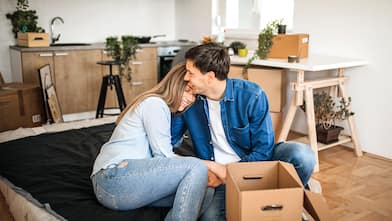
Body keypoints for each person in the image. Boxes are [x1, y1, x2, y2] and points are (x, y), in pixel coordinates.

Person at [171, 43, 316, 221]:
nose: (186, 78)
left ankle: (284, 200)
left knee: (303, 155)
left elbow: (263, 151)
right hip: (219, 178)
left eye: (190, 73)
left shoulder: (252, 95)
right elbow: (170, 142)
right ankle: (264, 204)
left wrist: (228, 171)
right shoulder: (190, 100)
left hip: (256, 166)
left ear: (209, 77)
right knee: (210, 218)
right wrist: (175, 107)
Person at [91, 63, 213, 221]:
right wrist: (209, 165)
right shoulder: (155, 104)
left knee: (204, 190)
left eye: (194, 95)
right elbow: (163, 156)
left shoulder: (164, 109)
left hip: (123, 186)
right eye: (188, 90)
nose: (191, 99)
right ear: (175, 84)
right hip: (112, 179)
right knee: (197, 167)